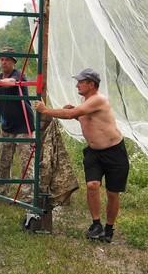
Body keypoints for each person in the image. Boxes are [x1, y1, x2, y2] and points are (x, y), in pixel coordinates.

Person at [35, 68, 128, 243]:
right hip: (94, 152)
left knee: (112, 193)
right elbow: (84, 118)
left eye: (81, 82)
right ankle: (96, 225)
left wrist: (45, 110)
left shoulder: (98, 100)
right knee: (92, 185)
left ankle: (109, 228)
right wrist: (76, 114)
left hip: (115, 152)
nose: (77, 85)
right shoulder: (85, 102)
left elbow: (70, 114)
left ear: (91, 84)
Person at [0, 52, 33, 195]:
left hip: (23, 125)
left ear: (13, 62)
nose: (4, 62)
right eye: (2, 59)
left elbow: (12, 83)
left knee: (25, 161)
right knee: (4, 160)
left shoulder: (18, 75)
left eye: (7, 60)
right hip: (7, 126)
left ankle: (28, 195)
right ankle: (2, 191)